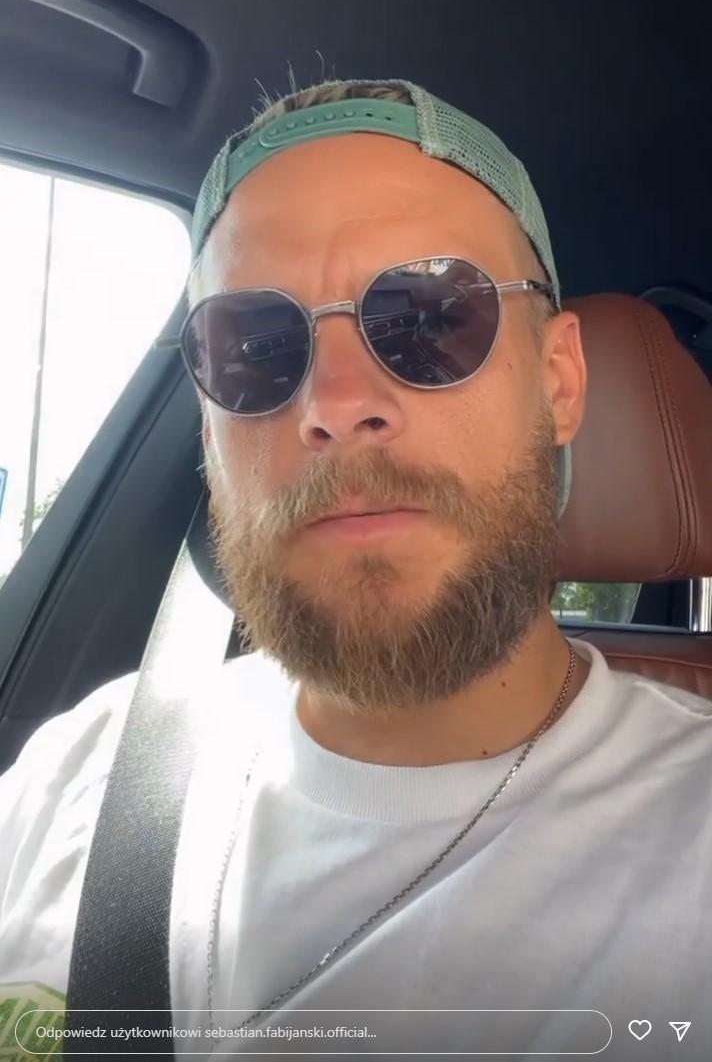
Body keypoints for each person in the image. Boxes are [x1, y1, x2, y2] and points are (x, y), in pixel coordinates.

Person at [0, 78, 710, 1061]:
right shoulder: (74, 777)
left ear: (558, 383)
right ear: (207, 429)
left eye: (429, 317)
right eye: (254, 347)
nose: (333, 404)